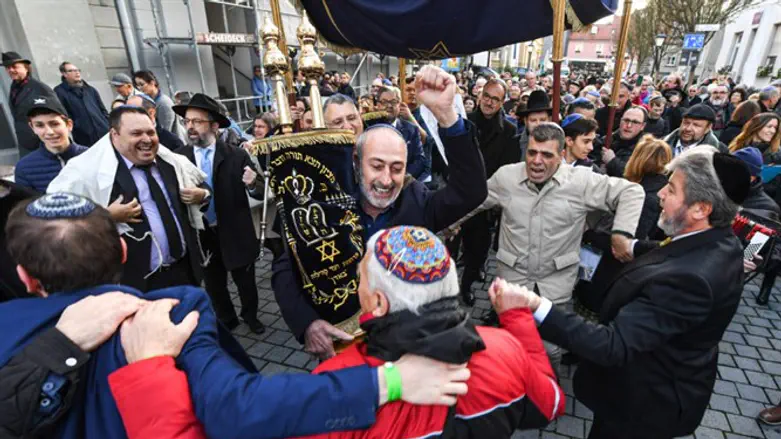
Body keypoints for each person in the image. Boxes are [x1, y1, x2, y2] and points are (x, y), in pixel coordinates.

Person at [0, 193, 472, 439]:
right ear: (125, 250)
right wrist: (386, 383)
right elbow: (234, 408)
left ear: (24, 276)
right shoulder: (174, 309)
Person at [501, 147, 751, 438]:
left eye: (671, 189)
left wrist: (536, 306)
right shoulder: (721, 240)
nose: (660, 195)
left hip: (642, 406)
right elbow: (674, 251)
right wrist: (632, 246)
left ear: (701, 208)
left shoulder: (689, 281)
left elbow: (613, 345)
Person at [275, 65, 488, 360]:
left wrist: (447, 116)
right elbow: (286, 266)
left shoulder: (417, 201)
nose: (386, 180)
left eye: (397, 168)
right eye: (376, 166)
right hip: (342, 344)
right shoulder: (323, 203)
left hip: (406, 348)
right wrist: (307, 324)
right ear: (357, 162)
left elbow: (471, 192)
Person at [449, 122, 644, 373]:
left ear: (562, 155)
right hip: (514, 280)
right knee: (511, 343)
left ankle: (546, 397)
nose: (537, 161)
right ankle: (513, 393)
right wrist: (443, 227)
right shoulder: (507, 177)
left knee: (550, 349)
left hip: (555, 283)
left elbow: (632, 192)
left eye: (547, 155)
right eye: (532, 152)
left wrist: (621, 234)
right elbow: (472, 202)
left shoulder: (582, 181)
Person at [48, 106, 209, 292]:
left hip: (186, 272)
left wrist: (202, 195)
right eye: (136, 133)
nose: (147, 139)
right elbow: (56, 224)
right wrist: (104, 216)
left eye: (151, 132)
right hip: (137, 284)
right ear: (114, 135)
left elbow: (201, 185)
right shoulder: (88, 174)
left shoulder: (171, 163)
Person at [172, 93, 265, 334]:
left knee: (245, 281)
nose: (190, 127)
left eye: (197, 121)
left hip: (235, 229)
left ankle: (251, 316)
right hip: (203, 233)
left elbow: (260, 192)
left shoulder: (236, 154)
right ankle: (227, 319)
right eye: (187, 122)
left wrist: (253, 183)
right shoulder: (179, 157)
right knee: (214, 284)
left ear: (214, 126)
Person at [573, 135, 671, 326]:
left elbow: (627, 242)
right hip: (604, 265)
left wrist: (590, 234)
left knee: (590, 321)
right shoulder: (652, 187)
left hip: (609, 269)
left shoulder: (646, 196)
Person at [456, 78, 519, 305]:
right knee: (451, 247)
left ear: (503, 102)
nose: (489, 102)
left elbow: (508, 168)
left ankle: (467, 286)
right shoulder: (464, 122)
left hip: (486, 200)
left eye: (495, 99)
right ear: (479, 96)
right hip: (459, 196)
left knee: (477, 250)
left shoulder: (509, 130)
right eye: (487, 96)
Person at [14, 97, 87, 194]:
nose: (49, 132)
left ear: (69, 124)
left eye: (54, 124)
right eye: (40, 125)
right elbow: (26, 207)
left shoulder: (92, 156)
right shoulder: (24, 168)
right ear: (32, 128)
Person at [2, 51, 59, 157]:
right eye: (7, 68)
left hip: (43, 144)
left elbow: (58, 115)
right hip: (25, 144)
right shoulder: (14, 88)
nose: (10, 70)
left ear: (26, 68)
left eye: (14, 66)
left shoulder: (39, 88)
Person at [54, 61, 109, 147]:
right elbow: (63, 115)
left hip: (104, 132)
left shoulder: (90, 89)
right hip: (84, 137)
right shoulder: (59, 92)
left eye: (78, 70)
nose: (77, 72)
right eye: (72, 70)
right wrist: (77, 126)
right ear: (64, 74)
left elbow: (103, 110)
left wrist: (107, 123)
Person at [376, 86, 427, 179]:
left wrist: (402, 178)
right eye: (384, 102)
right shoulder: (369, 129)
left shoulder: (411, 129)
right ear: (378, 105)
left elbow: (420, 160)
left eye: (393, 102)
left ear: (399, 105)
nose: (389, 106)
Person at [597, 106, 648, 177]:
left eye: (635, 122)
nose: (629, 125)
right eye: (626, 120)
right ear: (621, 121)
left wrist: (612, 161)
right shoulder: (609, 138)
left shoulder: (645, 148)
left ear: (642, 126)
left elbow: (634, 175)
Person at [664, 104, 729, 157]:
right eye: (686, 123)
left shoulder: (719, 152)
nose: (688, 129)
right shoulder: (662, 144)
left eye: (696, 125)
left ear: (708, 128)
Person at [133, 70, 177, 134]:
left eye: (141, 84)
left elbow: (165, 132)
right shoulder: (148, 100)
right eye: (137, 85)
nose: (139, 88)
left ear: (152, 83)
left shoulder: (164, 103)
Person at [517, 90, 552, 158]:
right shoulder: (512, 144)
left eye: (542, 120)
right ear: (525, 121)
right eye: (533, 120)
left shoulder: (558, 144)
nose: (538, 124)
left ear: (549, 120)